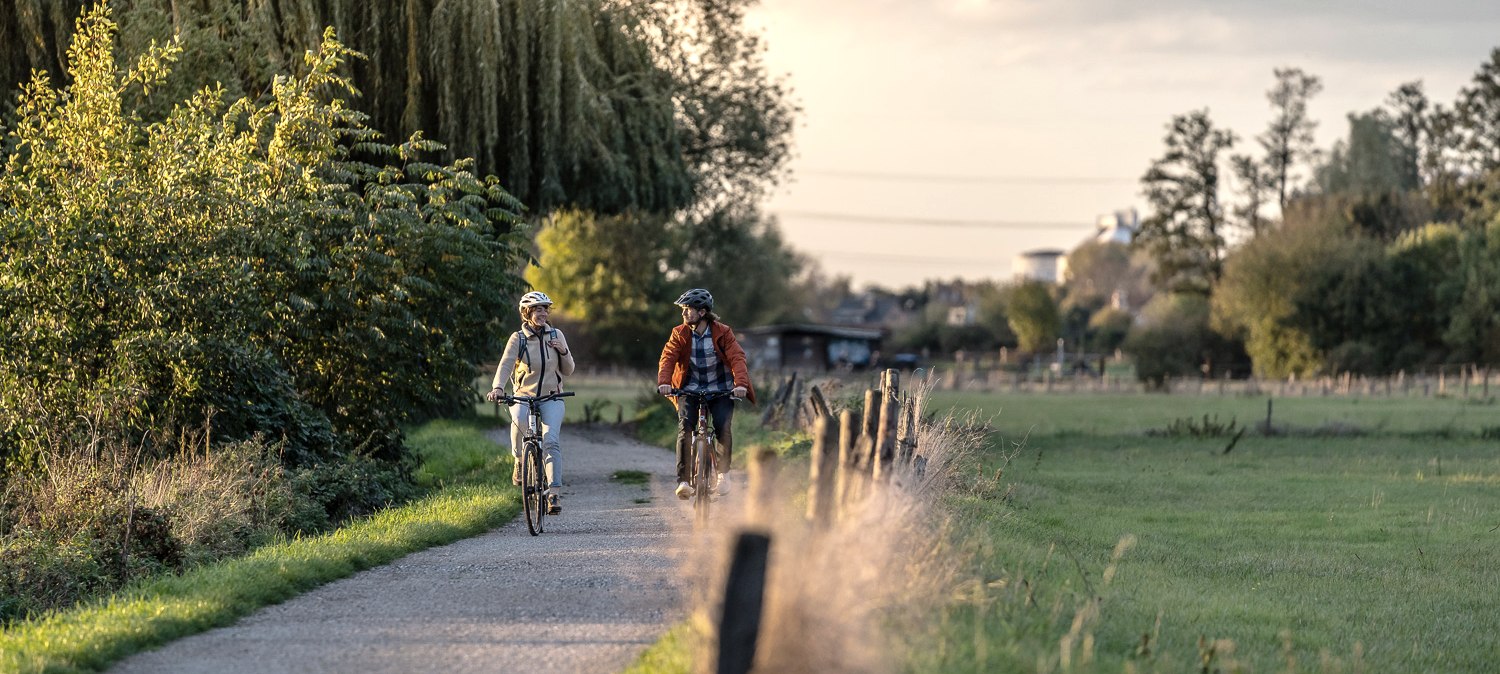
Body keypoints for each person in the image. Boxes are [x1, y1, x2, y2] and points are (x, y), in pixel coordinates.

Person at [656, 288, 756, 500]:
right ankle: (683, 481)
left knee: (722, 426)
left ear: (702, 312)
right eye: (683, 310)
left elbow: (737, 357)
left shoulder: (723, 332)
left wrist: (740, 384)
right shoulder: (679, 333)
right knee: (686, 427)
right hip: (688, 389)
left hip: (721, 389)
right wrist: (664, 382)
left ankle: (723, 474)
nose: (684, 314)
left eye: (688, 309)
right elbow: (668, 358)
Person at [487, 291, 575, 514]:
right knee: (517, 419)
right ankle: (518, 459)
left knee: (551, 441)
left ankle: (553, 493)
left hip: (552, 396)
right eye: (538, 309)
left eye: (545, 309)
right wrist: (498, 387)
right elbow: (506, 364)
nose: (543, 313)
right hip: (523, 395)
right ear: (527, 313)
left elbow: (569, 370)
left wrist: (562, 351)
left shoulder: (557, 334)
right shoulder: (519, 338)